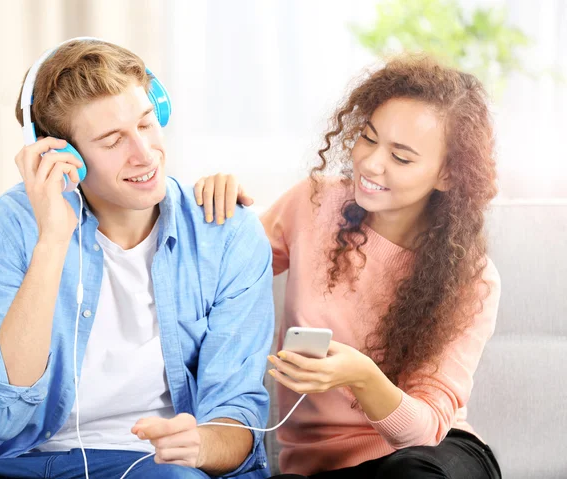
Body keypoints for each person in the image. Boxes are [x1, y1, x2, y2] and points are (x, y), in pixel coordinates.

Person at [0, 38, 274, 479]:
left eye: (147, 124)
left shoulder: (224, 232)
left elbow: (237, 411)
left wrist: (201, 444)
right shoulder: (14, 225)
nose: (144, 155)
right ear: (62, 154)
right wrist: (52, 240)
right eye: (112, 141)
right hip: (19, 464)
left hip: (156, 467)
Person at [195, 55, 502, 478]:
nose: (371, 163)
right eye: (368, 138)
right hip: (319, 467)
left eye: (402, 157)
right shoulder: (314, 203)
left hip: (431, 457)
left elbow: (426, 432)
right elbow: (219, 273)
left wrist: (362, 377)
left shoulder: (471, 278)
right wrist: (219, 209)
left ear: (447, 174)